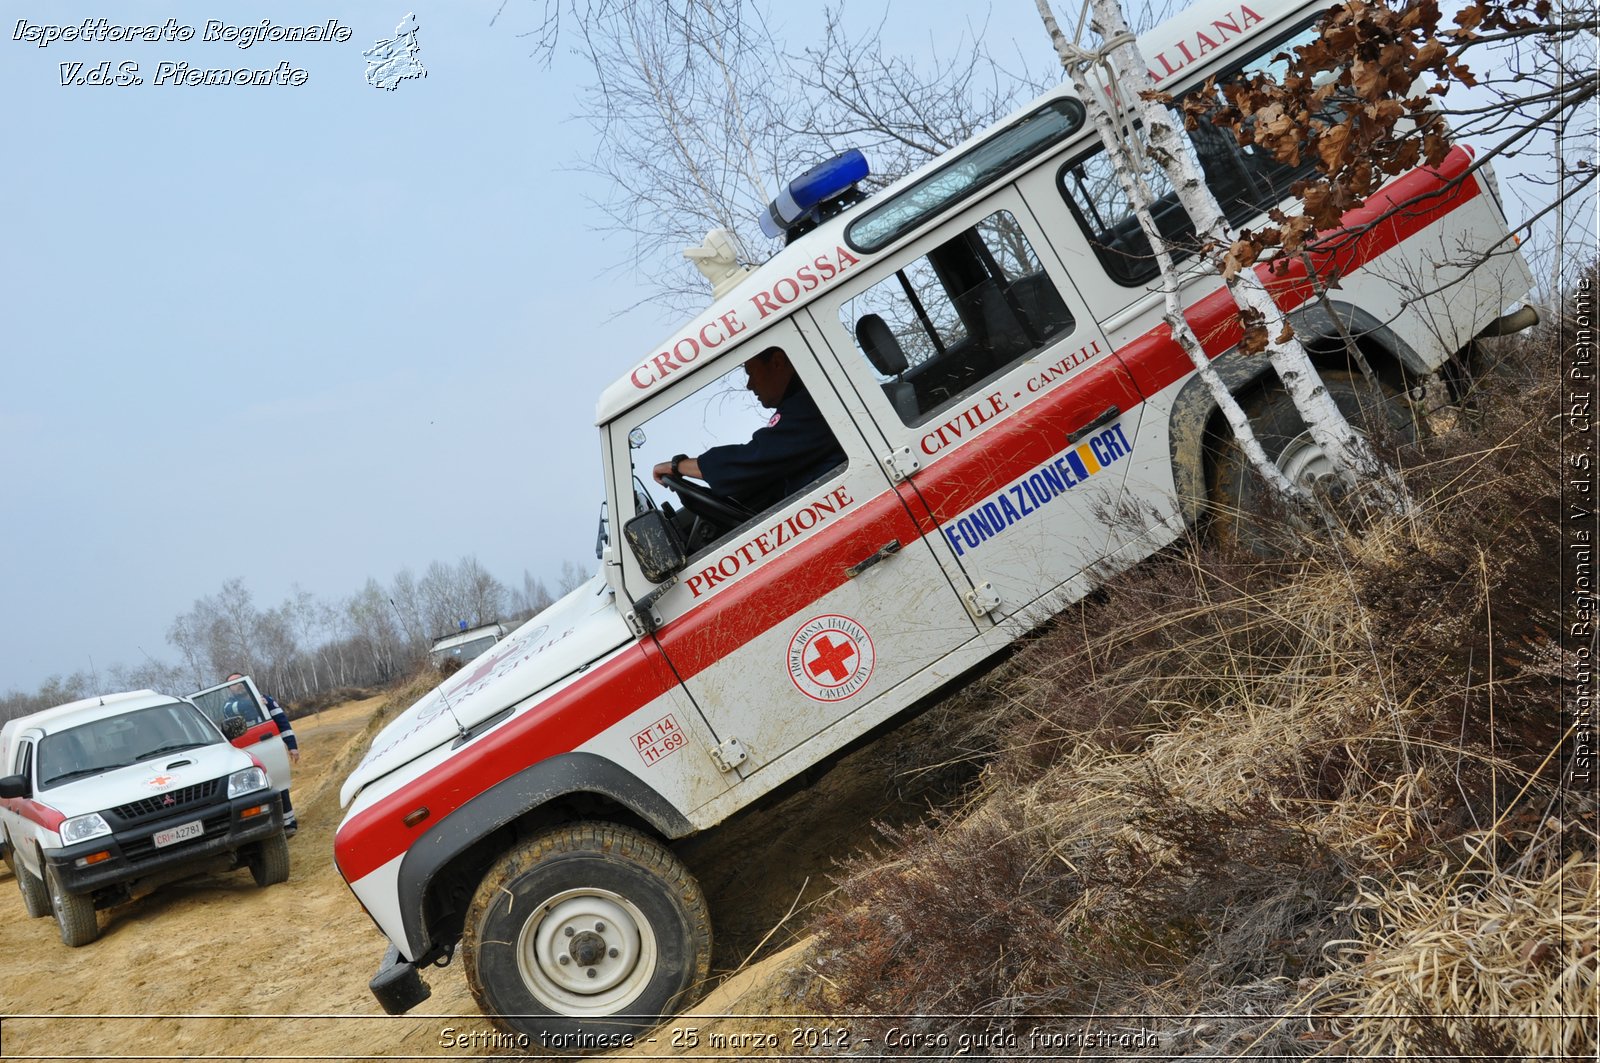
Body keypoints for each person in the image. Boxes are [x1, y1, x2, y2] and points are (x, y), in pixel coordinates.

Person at [651, 346, 845, 515]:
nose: (749, 385)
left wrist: (678, 466)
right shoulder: (800, 404)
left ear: (777, 362)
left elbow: (756, 459)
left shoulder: (811, 404)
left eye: (751, 372)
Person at [224, 673, 301, 837]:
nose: (236, 686)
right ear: (228, 689)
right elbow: (238, 709)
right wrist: (255, 702)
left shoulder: (266, 700)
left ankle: (288, 823)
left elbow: (282, 722)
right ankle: (267, 828)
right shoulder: (228, 706)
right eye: (232, 684)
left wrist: (292, 746)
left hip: (267, 745)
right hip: (245, 753)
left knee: (279, 785)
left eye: (239, 682)